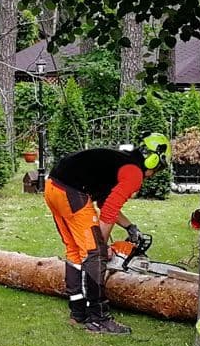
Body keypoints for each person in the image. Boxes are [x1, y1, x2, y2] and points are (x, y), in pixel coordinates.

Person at [44, 134, 167, 334]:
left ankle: (78, 313)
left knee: (75, 251)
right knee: (95, 254)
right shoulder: (134, 174)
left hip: (53, 188)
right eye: (158, 167)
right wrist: (100, 245)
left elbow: (103, 202)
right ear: (153, 160)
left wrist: (129, 227)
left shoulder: (119, 162)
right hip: (73, 192)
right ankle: (98, 318)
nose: (155, 173)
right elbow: (108, 211)